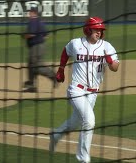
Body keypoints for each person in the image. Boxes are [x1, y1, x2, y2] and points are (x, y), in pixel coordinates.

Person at [49, 17, 120, 163]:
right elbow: (66, 51)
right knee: (89, 121)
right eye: (96, 29)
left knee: (76, 121)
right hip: (76, 90)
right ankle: (83, 159)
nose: (99, 32)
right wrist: (61, 68)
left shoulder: (107, 46)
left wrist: (110, 61)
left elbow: (115, 68)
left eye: (100, 30)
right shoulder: (76, 43)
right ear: (88, 29)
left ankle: (56, 135)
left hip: (93, 92)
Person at [23, 6, 57, 92]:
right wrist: (40, 40)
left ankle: (53, 76)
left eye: (30, 12)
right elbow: (46, 35)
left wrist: (25, 36)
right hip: (40, 46)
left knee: (36, 66)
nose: (28, 14)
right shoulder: (40, 21)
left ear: (33, 13)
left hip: (36, 47)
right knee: (31, 65)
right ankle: (31, 85)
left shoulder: (33, 21)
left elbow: (31, 34)